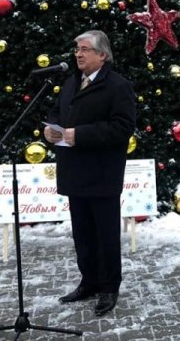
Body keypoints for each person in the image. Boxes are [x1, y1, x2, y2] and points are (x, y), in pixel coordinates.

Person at [44, 30, 136, 317]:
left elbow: (122, 127)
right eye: (76, 49)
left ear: (102, 55)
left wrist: (77, 135)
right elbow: (58, 113)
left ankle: (109, 286)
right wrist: (51, 128)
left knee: (105, 234)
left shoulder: (117, 86)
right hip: (74, 171)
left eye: (84, 49)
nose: (78, 54)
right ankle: (89, 281)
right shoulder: (71, 82)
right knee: (82, 233)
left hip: (102, 173)